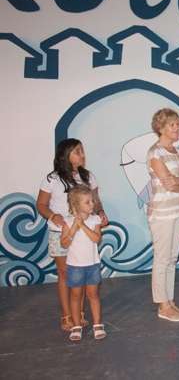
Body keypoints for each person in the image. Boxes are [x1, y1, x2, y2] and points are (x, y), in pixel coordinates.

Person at [36, 138, 108, 332]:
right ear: (65, 155)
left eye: (82, 151)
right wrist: (53, 216)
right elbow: (41, 204)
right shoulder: (52, 179)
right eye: (77, 151)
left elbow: (96, 201)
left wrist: (101, 212)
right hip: (60, 232)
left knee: (81, 273)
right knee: (65, 273)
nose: (82, 155)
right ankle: (66, 315)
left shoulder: (88, 177)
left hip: (84, 234)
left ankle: (80, 313)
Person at [146, 108, 179, 322]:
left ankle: (169, 301)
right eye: (172, 125)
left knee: (172, 259)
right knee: (162, 258)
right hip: (162, 214)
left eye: (177, 124)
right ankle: (163, 305)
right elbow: (169, 183)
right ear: (161, 128)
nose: (177, 128)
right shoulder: (155, 153)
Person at [60, 186, 105, 341]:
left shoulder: (95, 220)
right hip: (75, 266)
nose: (92, 204)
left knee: (93, 295)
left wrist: (82, 225)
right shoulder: (67, 221)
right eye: (87, 202)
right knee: (75, 296)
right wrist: (74, 226)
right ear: (76, 205)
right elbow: (64, 244)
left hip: (92, 265)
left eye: (92, 201)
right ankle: (77, 325)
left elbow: (96, 239)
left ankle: (97, 324)